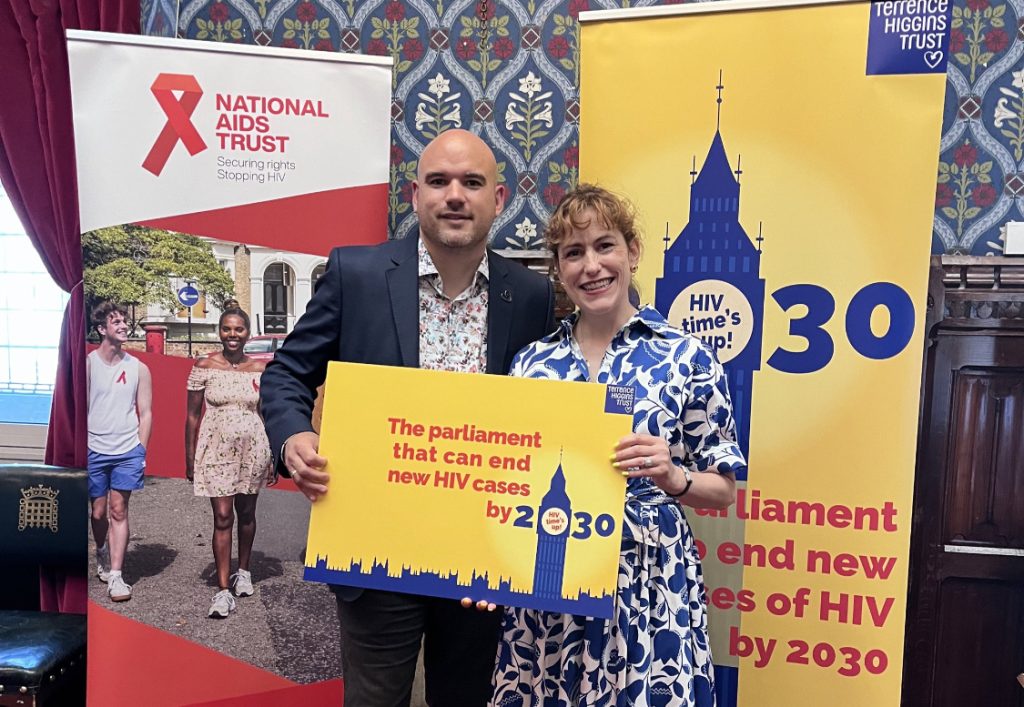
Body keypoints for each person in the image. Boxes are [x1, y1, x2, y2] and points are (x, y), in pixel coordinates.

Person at [260, 129, 556, 706]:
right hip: (376, 549)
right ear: (414, 193)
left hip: (482, 562)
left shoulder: (531, 296)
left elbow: (546, 416)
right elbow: (285, 373)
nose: (454, 195)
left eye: (472, 183)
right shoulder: (357, 274)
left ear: (498, 199)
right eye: (439, 181)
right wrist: (294, 434)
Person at [490, 184, 745, 706]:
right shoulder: (531, 365)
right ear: (558, 269)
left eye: (604, 245)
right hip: (551, 582)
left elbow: (723, 491)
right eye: (573, 253)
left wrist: (674, 477)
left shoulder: (687, 358)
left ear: (632, 251)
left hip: (648, 585)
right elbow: (509, 478)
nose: (591, 266)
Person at [185, 307, 273, 619]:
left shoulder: (259, 368)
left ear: (247, 333)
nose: (232, 335)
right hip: (215, 450)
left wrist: (272, 456)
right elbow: (193, 416)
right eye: (226, 329)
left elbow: (264, 413)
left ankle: (244, 571)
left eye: (238, 329)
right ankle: (223, 592)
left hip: (253, 449)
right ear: (219, 331)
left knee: (246, 512)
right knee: (223, 516)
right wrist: (189, 456)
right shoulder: (205, 365)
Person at [87, 301, 153, 603]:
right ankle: (101, 549)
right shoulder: (88, 364)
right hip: (93, 449)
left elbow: (147, 412)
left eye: (125, 321)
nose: (124, 326)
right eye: (116, 322)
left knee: (118, 510)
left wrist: (141, 449)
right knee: (98, 512)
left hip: (127, 449)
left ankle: (116, 575)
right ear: (102, 329)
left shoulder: (139, 368)